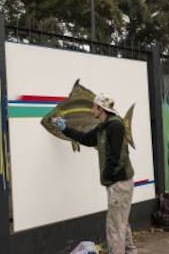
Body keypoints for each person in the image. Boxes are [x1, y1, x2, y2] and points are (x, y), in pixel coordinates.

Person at [53, 94, 137, 254]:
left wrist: (108, 176)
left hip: (119, 183)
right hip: (116, 183)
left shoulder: (115, 126)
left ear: (101, 109)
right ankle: (130, 251)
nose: (92, 110)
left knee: (114, 227)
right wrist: (65, 129)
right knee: (121, 222)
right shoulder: (104, 127)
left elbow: (118, 157)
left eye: (94, 107)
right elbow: (86, 139)